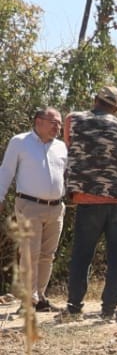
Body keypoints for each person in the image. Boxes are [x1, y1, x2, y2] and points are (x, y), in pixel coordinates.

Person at [62, 85, 117, 319]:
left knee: (82, 255)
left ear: (95, 99)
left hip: (87, 200)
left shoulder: (73, 120)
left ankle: (74, 308)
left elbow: (70, 149)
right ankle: (108, 311)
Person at [0, 108, 67, 311]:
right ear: (38, 121)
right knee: (30, 253)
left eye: (59, 123)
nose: (57, 126)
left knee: (48, 254)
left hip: (56, 208)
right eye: (53, 122)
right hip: (29, 205)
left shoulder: (62, 147)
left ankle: (40, 297)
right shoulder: (20, 142)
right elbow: (6, 170)